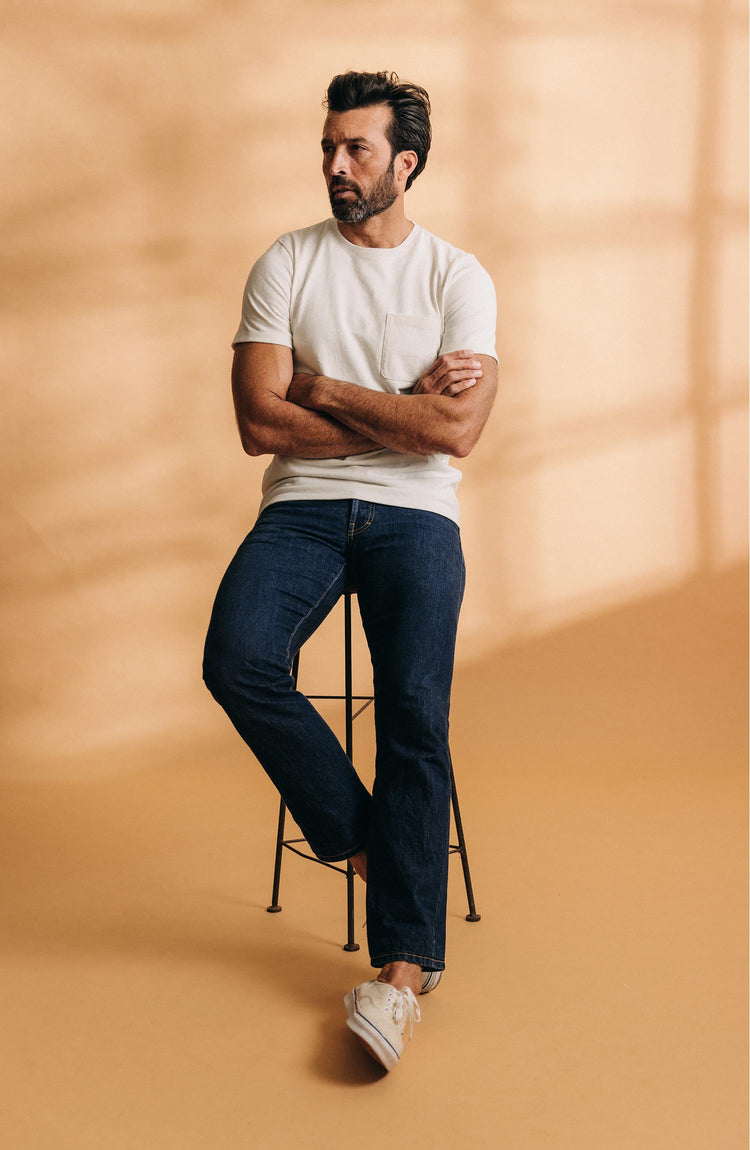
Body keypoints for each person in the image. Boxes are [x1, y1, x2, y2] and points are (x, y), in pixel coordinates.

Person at [203, 70, 498, 1072]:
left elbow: (455, 429)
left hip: (419, 514)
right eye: (329, 147)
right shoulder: (286, 262)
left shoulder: (458, 278)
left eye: (356, 149)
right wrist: (393, 409)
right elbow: (257, 423)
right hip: (302, 510)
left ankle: (401, 975)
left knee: (414, 709)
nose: (335, 165)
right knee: (238, 657)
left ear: (405, 162)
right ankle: (378, 845)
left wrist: (321, 387)